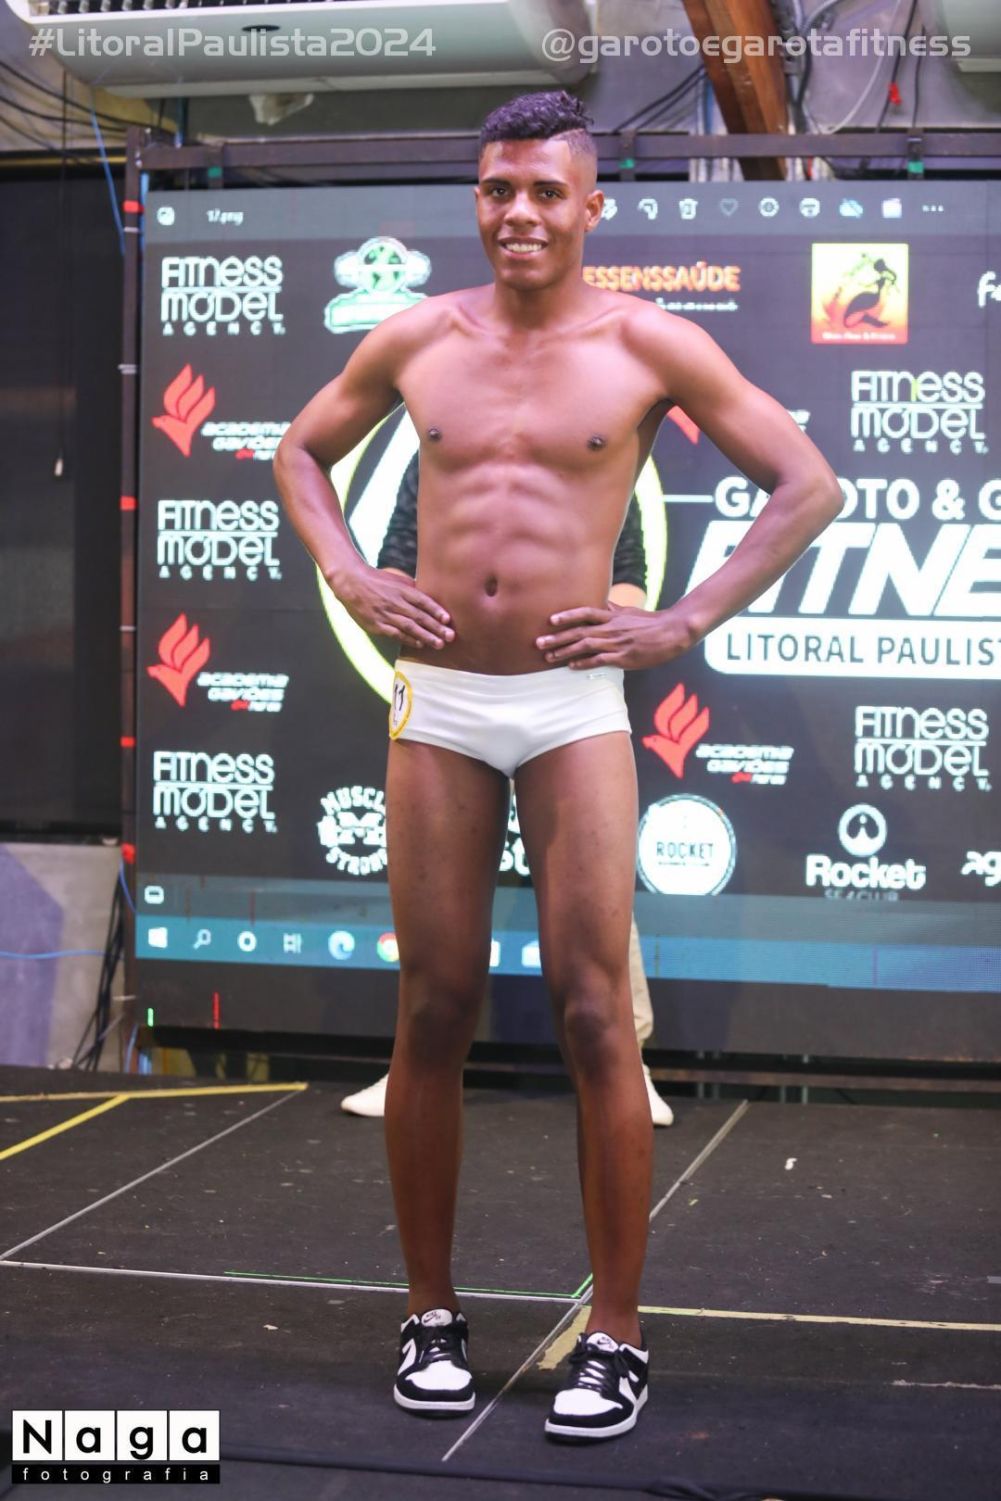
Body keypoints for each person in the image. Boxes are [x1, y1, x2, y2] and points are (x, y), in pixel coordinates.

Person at [275, 90, 842, 1443]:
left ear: (592, 206)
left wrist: (681, 619)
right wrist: (349, 572)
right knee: (433, 1008)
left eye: (543, 191)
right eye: (496, 189)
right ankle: (429, 1315)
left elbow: (806, 483)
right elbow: (299, 451)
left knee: (596, 1015)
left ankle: (616, 1336)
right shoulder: (420, 336)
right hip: (443, 704)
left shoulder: (646, 341)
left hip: (574, 704)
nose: (517, 212)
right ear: (475, 201)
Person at [340, 452, 674, 1128]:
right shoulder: (440, 445)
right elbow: (396, 555)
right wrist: (390, 600)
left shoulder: (600, 444)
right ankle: (413, 1062)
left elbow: (629, 574)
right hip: (454, 688)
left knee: (596, 916)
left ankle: (629, 1063)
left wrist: (605, 628)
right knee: (431, 918)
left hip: (564, 690)